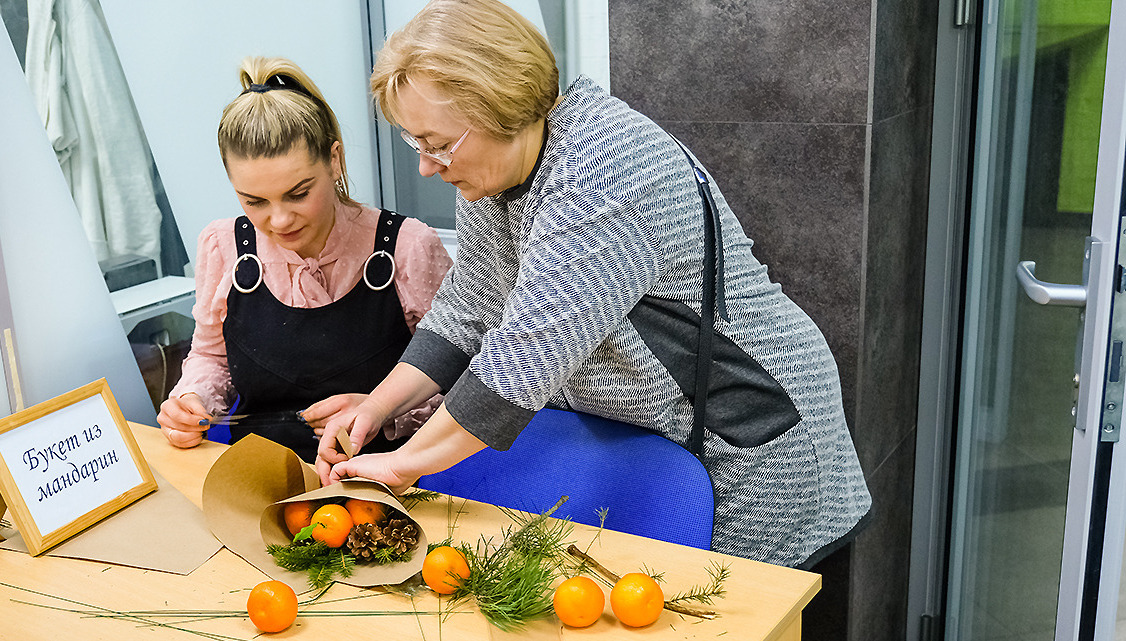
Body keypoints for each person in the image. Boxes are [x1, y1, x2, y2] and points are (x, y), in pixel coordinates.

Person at [309, 0, 870, 569]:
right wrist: (375, 410)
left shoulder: (600, 174)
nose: (427, 166)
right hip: (651, 440)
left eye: (437, 143)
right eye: (415, 143)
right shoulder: (494, 170)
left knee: (734, 640)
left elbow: (522, 358)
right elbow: (466, 310)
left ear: (500, 107)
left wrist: (403, 464)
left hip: (748, 433)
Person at [157, 56, 452, 464]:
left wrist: (381, 411)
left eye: (298, 193)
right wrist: (191, 399)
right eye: (254, 201)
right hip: (260, 479)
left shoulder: (407, 246)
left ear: (334, 160)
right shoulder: (223, 245)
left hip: (389, 477)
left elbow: (458, 379)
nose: (278, 220)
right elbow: (211, 356)